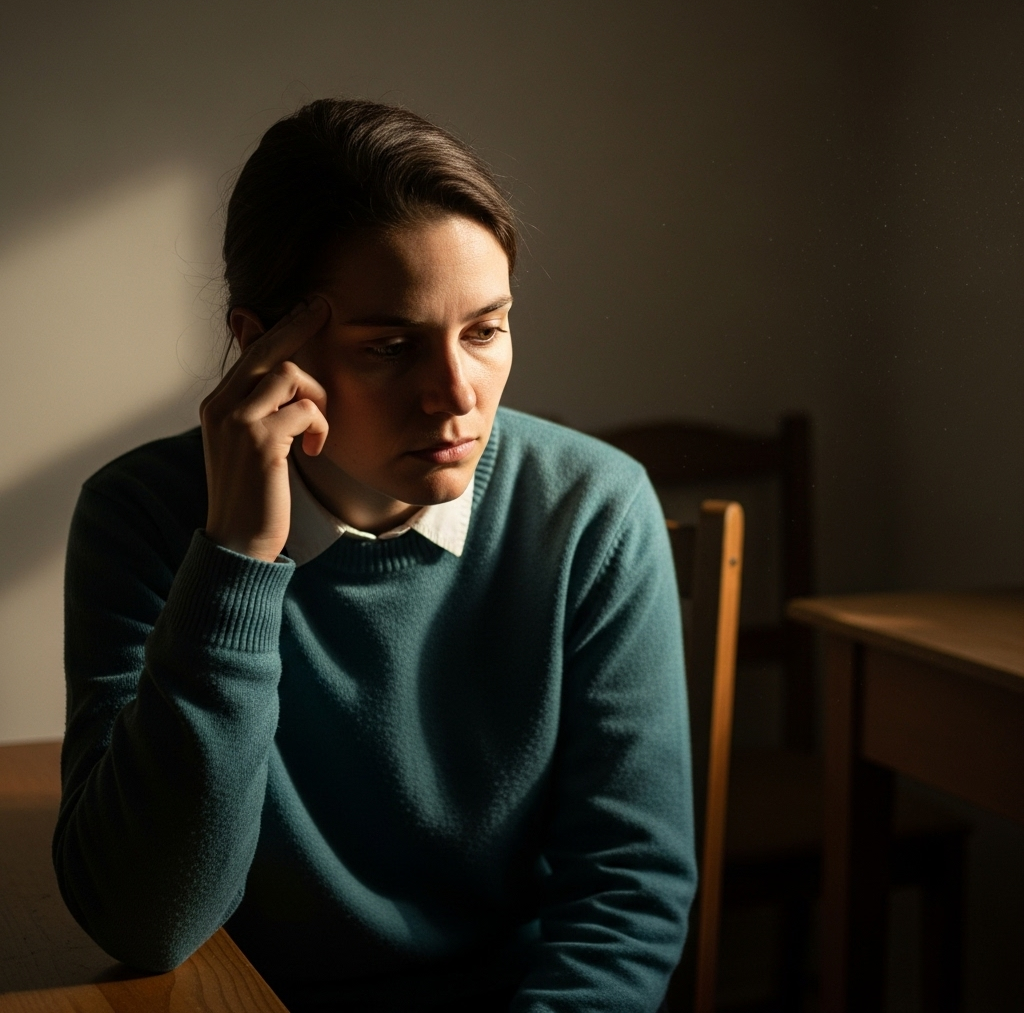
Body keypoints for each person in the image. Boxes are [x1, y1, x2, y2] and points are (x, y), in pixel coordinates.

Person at [55, 99, 696, 1013]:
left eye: (485, 331)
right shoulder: (142, 517)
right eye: (391, 347)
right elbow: (148, 922)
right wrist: (235, 557)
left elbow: (625, 896)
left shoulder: (592, 508)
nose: (455, 397)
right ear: (259, 348)